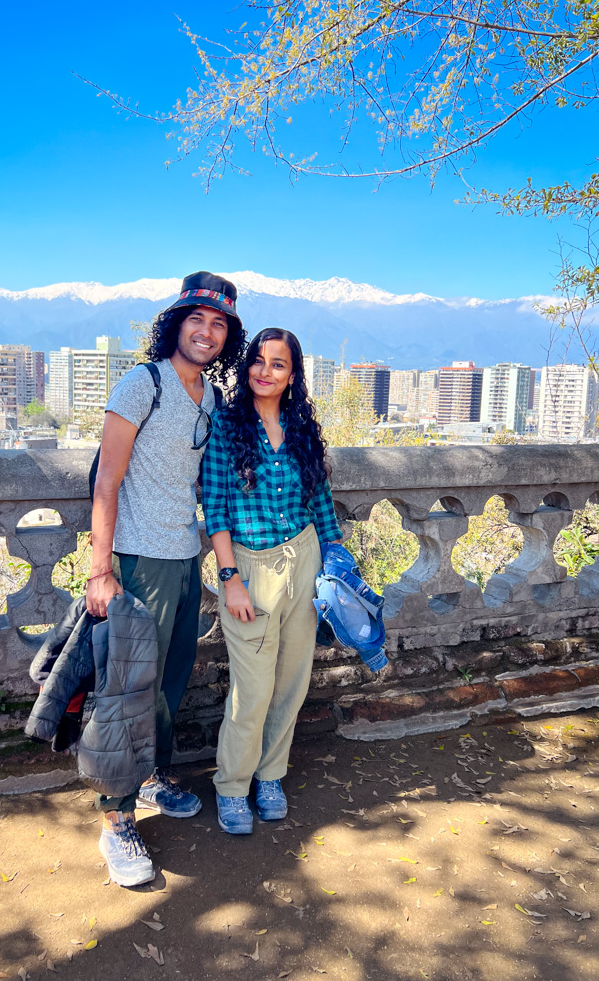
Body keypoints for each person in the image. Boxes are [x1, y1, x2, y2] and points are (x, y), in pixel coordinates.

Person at [87, 271, 245, 884]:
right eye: (196, 319)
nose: (206, 332)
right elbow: (107, 479)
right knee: (129, 689)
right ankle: (116, 821)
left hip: (185, 556)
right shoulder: (142, 382)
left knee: (171, 680)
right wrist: (101, 569)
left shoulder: (208, 395)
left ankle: (151, 777)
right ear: (175, 324)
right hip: (136, 558)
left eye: (218, 324)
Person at [201, 327, 343, 835]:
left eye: (278, 364)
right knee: (252, 689)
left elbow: (320, 502)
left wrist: (335, 560)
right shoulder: (227, 425)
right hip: (250, 565)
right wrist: (230, 578)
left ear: (292, 374)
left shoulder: (302, 425)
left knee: (291, 681)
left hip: (303, 557)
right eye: (257, 361)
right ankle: (232, 786)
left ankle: (270, 776)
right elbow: (214, 508)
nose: (265, 371)